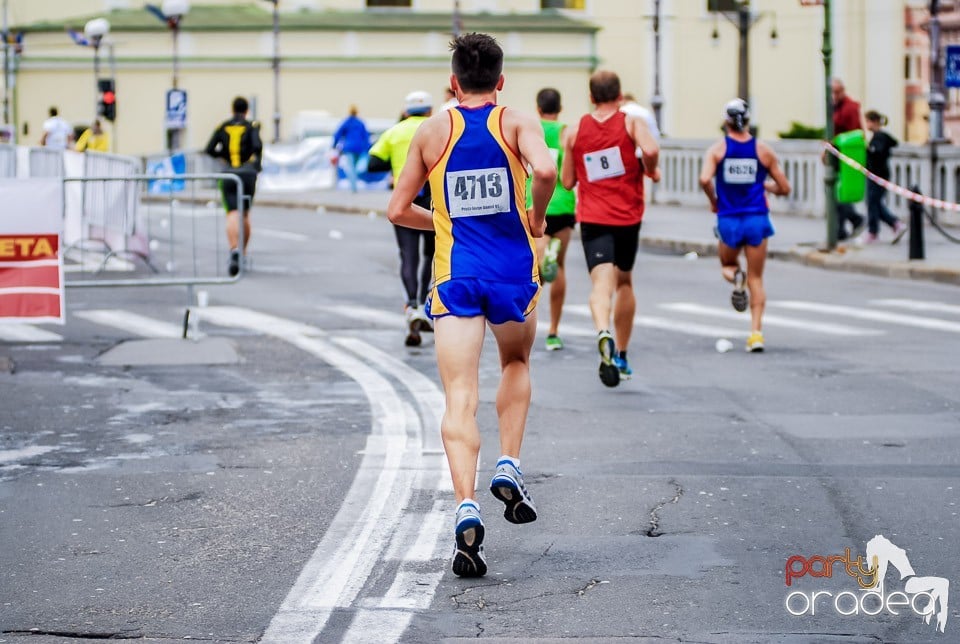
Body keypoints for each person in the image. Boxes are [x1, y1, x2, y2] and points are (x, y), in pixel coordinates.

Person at [386, 32, 556, 578]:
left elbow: (396, 209)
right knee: (516, 362)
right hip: (512, 273)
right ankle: (509, 463)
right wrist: (535, 216)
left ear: (453, 82)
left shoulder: (433, 130)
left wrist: (441, 222)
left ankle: (465, 505)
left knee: (459, 394)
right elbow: (547, 171)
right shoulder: (516, 121)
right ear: (500, 81)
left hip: (456, 276)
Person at [560, 70, 660, 388]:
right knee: (625, 282)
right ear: (620, 97)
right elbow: (653, 150)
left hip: (593, 218)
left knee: (600, 284)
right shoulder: (631, 122)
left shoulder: (575, 131)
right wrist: (650, 170)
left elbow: (567, 181)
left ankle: (603, 328)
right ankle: (623, 353)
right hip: (628, 217)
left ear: (591, 97)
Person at [698, 99, 791, 353]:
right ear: (748, 120)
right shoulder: (763, 151)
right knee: (757, 278)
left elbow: (704, 178)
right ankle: (756, 334)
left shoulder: (717, 151)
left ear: (725, 122)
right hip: (756, 219)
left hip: (729, 219)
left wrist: (713, 200)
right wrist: (767, 186)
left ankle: (736, 279)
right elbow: (785, 187)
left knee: (728, 265)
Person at [368, 90, 437, 347]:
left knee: (409, 255)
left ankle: (411, 306)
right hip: (432, 201)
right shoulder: (436, 127)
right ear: (430, 110)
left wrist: (398, 165)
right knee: (431, 255)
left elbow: (372, 164)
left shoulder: (395, 132)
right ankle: (425, 300)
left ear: (406, 111)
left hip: (405, 201)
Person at [528, 87, 576, 351]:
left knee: (536, 269)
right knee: (559, 269)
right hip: (564, 205)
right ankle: (554, 330)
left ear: (538, 108)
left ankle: (530, 322)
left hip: (536, 205)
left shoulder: (530, 130)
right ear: (560, 107)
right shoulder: (567, 132)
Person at [204, 96, 263, 277]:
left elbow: (209, 148)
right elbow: (258, 146)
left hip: (229, 174)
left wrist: (224, 156)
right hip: (247, 174)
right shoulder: (251, 126)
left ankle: (234, 250)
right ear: (246, 111)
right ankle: (243, 253)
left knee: (232, 213)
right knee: (244, 213)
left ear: (232, 109)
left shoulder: (223, 126)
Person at [863, 110, 907, 244]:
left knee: (872, 203)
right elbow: (894, 143)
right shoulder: (881, 137)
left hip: (877, 175)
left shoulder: (879, 137)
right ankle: (894, 225)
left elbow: (877, 152)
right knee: (874, 203)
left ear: (874, 121)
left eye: (868, 121)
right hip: (879, 174)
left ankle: (876, 230)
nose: (866, 124)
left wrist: (868, 149)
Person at [831, 78, 866, 241]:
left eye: (837, 92)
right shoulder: (835, 108)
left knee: (840, 194)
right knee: (837, 192)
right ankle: (842, 228)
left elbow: (853, 134)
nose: (834, 95)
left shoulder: (849, 108)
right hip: (837, 154)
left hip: (846, 155)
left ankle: (852, 221)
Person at [333, 105, 370, 193]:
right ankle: (355, 179)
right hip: (360, 148)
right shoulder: (360, 123)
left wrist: (334, 145)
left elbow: (337, 134)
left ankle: (354, 187)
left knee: (351, 167)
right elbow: (366, 136)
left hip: (349, 148)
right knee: (357, 167)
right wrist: (367, 147)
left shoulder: (346, 122)